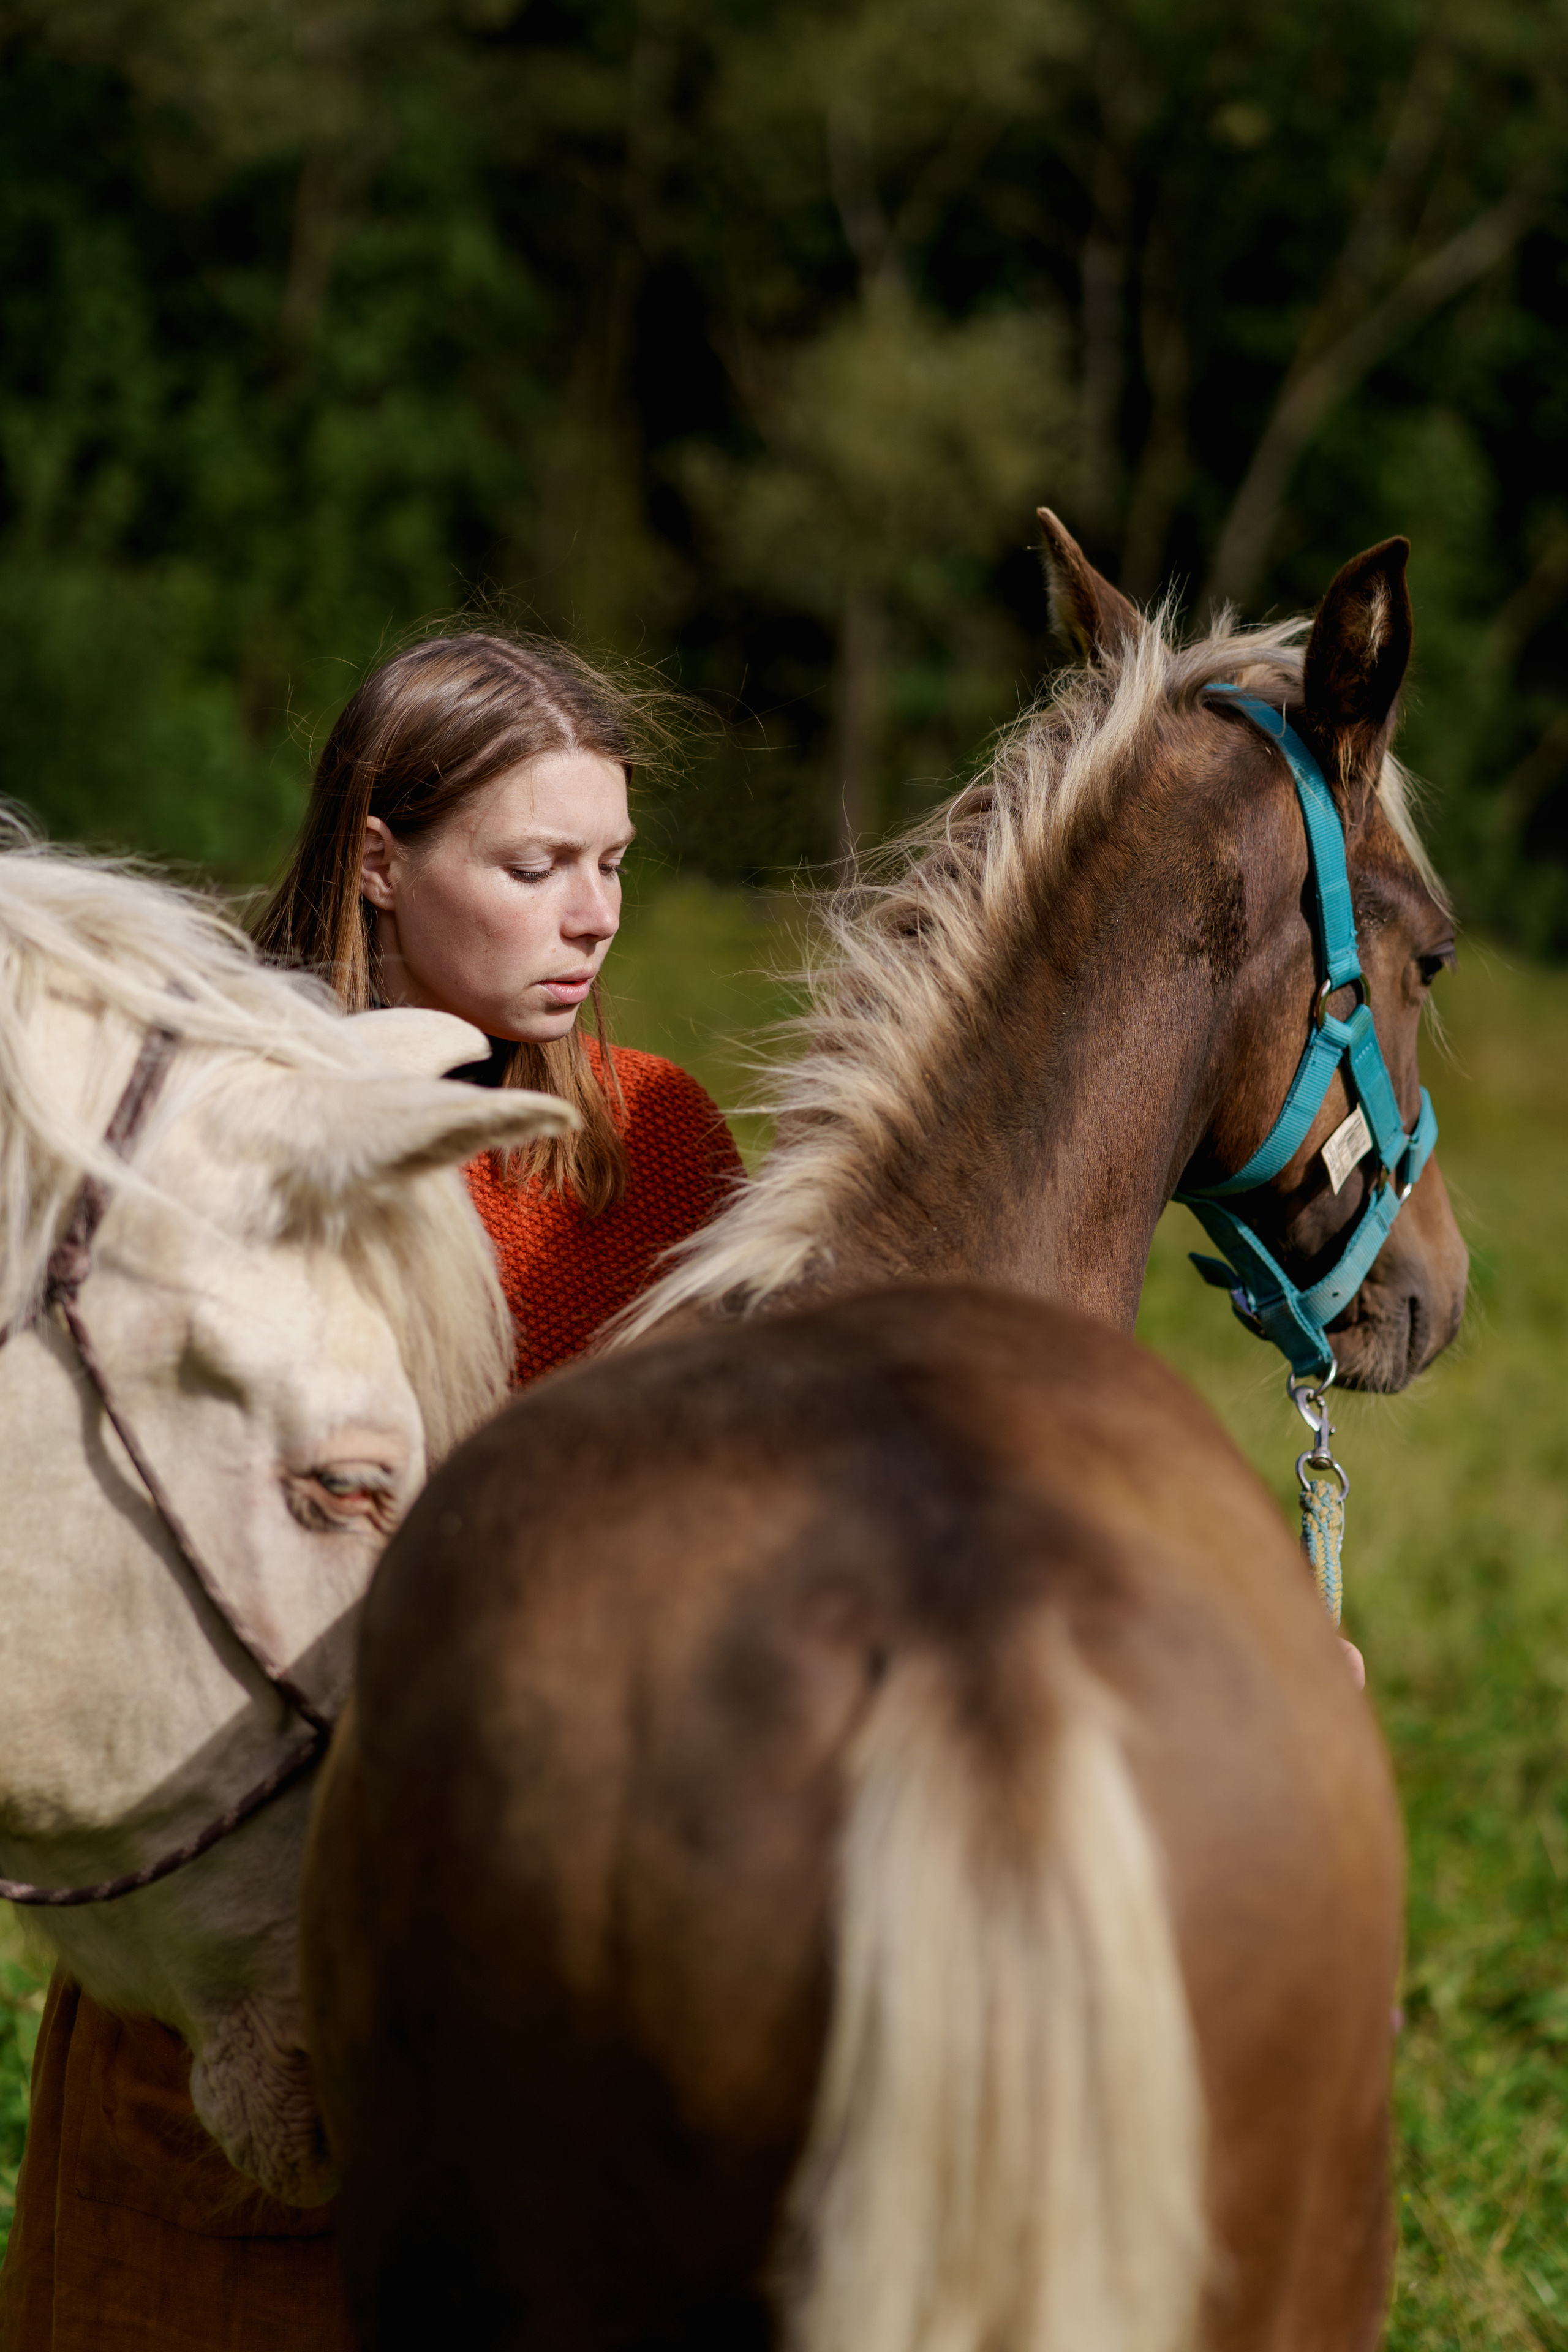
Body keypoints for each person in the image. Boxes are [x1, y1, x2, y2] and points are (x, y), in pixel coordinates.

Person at [1, 631, 745, 2350]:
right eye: (535, 865)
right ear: (381, 860)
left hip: (547, 1957)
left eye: (613, 864)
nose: (593, 916)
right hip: (231, 1940)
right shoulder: (202, 1149)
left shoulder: (658, 1149)